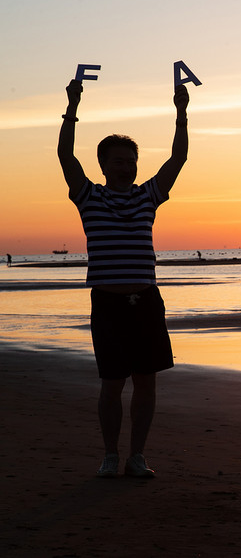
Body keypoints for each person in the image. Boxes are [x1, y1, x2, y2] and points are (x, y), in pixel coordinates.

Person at [57, 79, 189, 478]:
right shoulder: (88, 195)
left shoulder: (147, 195)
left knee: (146, 382)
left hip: (146, 301)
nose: (127, 166)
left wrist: (181, 112)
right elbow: (65, 155)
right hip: (109, 304)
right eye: (118, 160)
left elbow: (177, 159)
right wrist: (72, 106)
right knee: (112, 384)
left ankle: (137, 456)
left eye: (131, 160)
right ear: (104, 165)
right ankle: (110, 454)